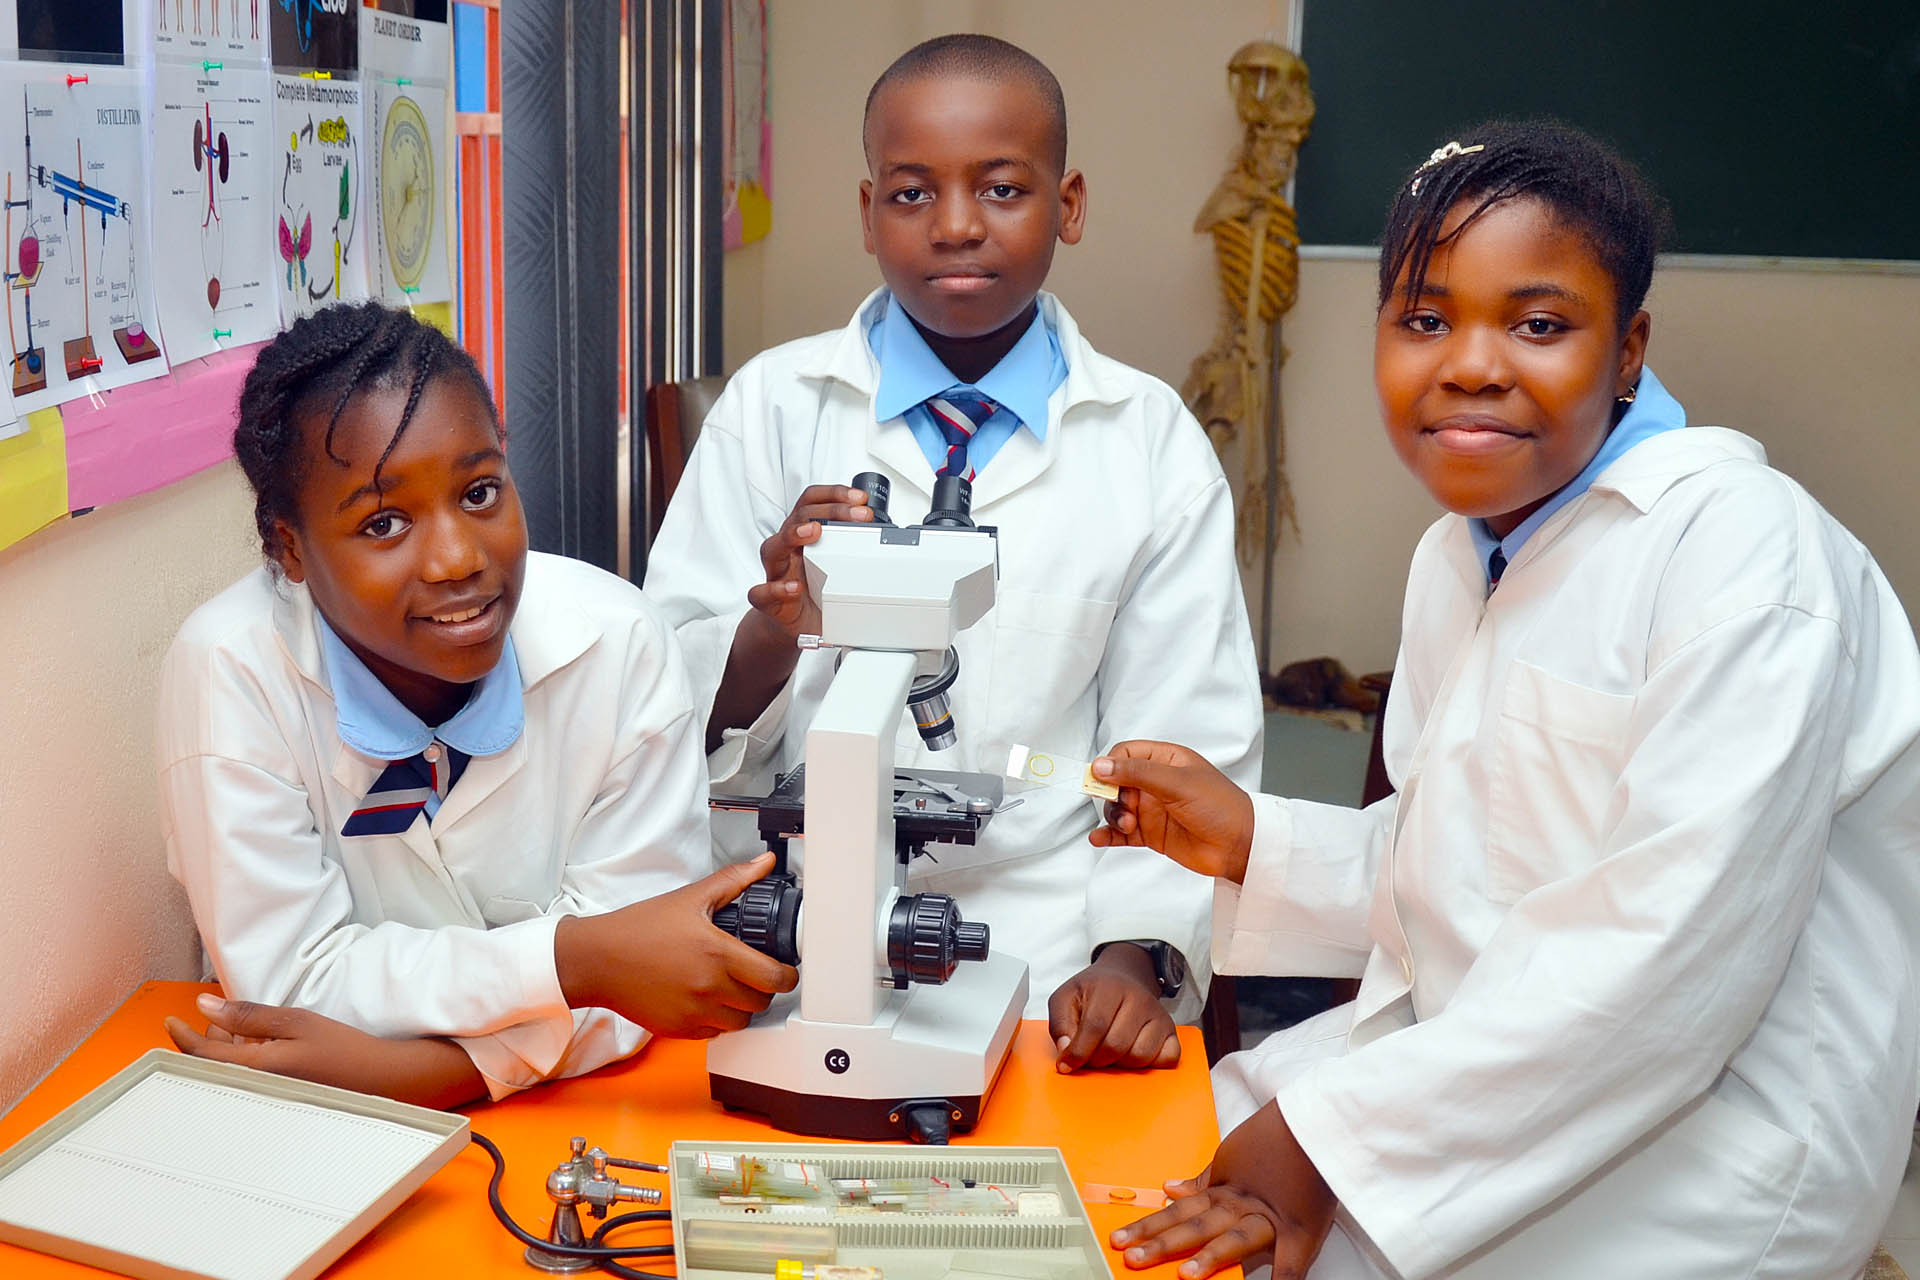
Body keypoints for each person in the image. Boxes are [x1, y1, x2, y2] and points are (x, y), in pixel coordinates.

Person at [1091, 121, 1920, 1278]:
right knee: (1142, 1160)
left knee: (1209, 1242)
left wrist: (1327, 1143)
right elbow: (1470, 859)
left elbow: (1666, 963)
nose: (1472, 364)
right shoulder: (1459, 553)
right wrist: (1254, 843)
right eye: (1425, 320)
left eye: (1538, 324)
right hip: (1499, 1071)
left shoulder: (1743, 553)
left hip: (1711, 1149)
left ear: (1628, 350)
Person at [645, 34, 1262, 1072]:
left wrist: (1131, 958)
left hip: (1049, 939)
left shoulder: (1150, 443)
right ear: (867, 212)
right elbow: (663, 707)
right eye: (912, 193)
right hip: (784, 925)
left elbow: (1182, 739)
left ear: (1068, 205)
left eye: (1003, 189)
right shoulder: (772, 408)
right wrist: (772, 626)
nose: (957, 225)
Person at [158, 302, 796, 1108]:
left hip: (551, 1108)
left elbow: (647, 984)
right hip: (314, 1122)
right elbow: (292, 984)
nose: (458, 558)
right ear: (290, 547)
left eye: (480, 492)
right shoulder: (231, 670)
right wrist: (575, 960)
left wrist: (422, 1073)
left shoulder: (622, 644)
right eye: (384, 523)